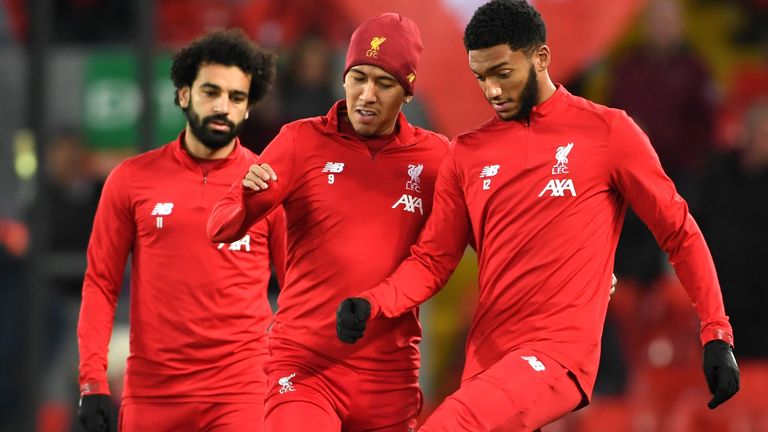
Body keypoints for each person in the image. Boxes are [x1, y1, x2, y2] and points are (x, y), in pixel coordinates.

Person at [336, 1, 740, 430]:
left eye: (502, 73)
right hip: (486, 365)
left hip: (557, 354)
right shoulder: (467, 153)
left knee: (448, 424)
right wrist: (373, 302)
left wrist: (716, 332)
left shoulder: (608, 132)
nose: (492, 90)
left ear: (541, 58)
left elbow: (679, 232)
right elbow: (433, 262)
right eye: (481, 77)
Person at [207, 13, 449, 431]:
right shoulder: (300, 141)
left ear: (408, 92)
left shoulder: (438, 159)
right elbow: (220, 226)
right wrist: (247, 198)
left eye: (384, 83)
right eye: (358, 77)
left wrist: (593, 274)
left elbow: (490, 236)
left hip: (388, 378)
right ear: (343, 79)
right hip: (304, 366)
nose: (367, 95)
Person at [77, 29, 283, 432]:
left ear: (247, 109)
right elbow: (100, 284)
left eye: (236, 98)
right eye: (211, 92)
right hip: (153, 395)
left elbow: (299, 288)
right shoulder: (131, 180)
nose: (223, 106)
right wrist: (92, 380)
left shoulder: (270, 184)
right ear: (184, 94)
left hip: (242, 394)